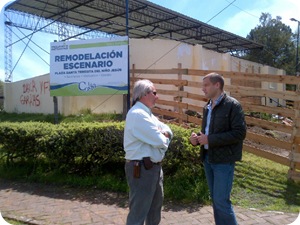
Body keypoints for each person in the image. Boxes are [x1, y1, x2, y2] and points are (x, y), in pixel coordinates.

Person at [189, 73, 246, 225]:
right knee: (216, 200)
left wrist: (210, 139)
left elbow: (239, 133)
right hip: (208, 158)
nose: (203, 89)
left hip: (223, 161)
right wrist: (197, 139)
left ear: (217, 85)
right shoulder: (207, 107)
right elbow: (208, 133)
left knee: (221, 201)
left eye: (206, 85)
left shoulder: (233, 105)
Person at [123, 79, 173, 225]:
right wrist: (163, 137)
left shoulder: (147, 114)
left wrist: (164, 135)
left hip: (151, 168)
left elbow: (169, 132)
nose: (157, 96)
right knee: (139, 212)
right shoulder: (139, 114)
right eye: (155, 92)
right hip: (142, 169)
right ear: (144, 94)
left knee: (154, 211)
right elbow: (161, 141)